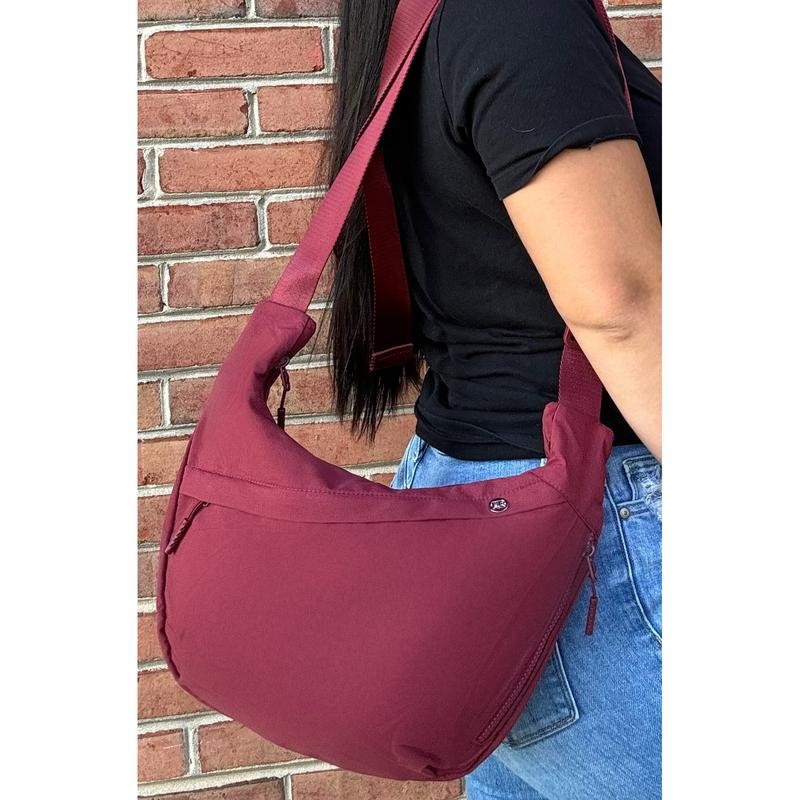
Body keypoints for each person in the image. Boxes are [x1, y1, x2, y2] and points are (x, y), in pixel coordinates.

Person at [327, 1, 662, 797]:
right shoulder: (519, 10)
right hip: (590, 533)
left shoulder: (423, 14)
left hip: (487, 510)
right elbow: (621, 307)